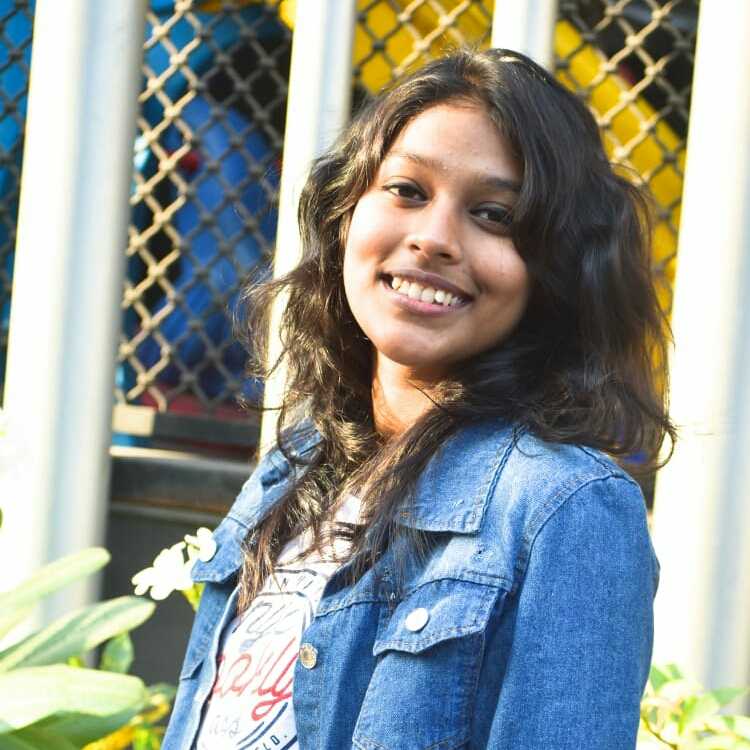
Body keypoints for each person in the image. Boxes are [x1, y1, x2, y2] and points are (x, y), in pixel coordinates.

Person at [162, 47, 674, 750]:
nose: (433, 239)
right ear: (346, 213)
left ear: (558, 265)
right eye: (406, 190)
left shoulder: (563, 509)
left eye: (494, 215)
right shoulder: (297, 465)